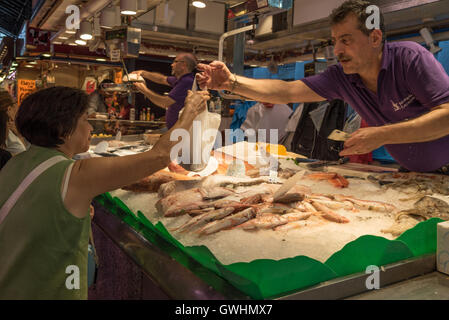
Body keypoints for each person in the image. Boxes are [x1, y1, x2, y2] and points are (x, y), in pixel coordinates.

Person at [0, 86, 209, 299]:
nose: (90, 128)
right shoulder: (76, 174)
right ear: (63, 129)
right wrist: (189, 112)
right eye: (85, 119)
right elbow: (160, 156)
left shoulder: (16, 162)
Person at [197, 0, 449, 174]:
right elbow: (287, 91)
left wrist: (382, 135)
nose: (337, 50)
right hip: (413, 173)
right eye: (335, 41)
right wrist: (232, 83)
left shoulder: (409, 59)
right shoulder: (341, 77)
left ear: (374, 38)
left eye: (346, 40)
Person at [132, 52, 197, 129]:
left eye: (175, 62)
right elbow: (161, 79)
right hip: (177, 131)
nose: (172, 65)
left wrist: (144, 90)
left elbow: (165, 103)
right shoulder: (180, 79)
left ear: (184, 65)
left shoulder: (187, 81)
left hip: (180, 132)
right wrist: (143, 73)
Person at [0, 90, 27, 156]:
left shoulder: (11, 130)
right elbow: (23, 154)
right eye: (16, 103)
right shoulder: (6, 134)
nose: (18, 107)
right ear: (9, 109)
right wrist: (19, 136)